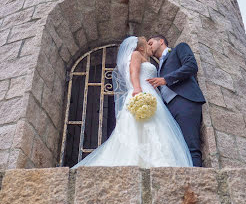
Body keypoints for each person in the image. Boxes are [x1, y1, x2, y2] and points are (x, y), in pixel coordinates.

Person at [71, 36, 193, 168]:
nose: (150, 46)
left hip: (152, 95)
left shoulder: (146, 59)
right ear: (141, 47)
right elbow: (133, 72)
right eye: (148, 44)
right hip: (141, 91)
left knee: (155, 126)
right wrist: (137, 89)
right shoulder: (136, 54)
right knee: (141, 126)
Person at [147, 35, 206, 167]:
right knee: (177, 150)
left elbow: (191, 66)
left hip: (184, 101)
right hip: (168, 110)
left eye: (150, 43)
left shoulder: (179, 48)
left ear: (161, 41)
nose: (149, 46)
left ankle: (198, 184)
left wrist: (166, 79)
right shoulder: (157, 67)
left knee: (191, 147)